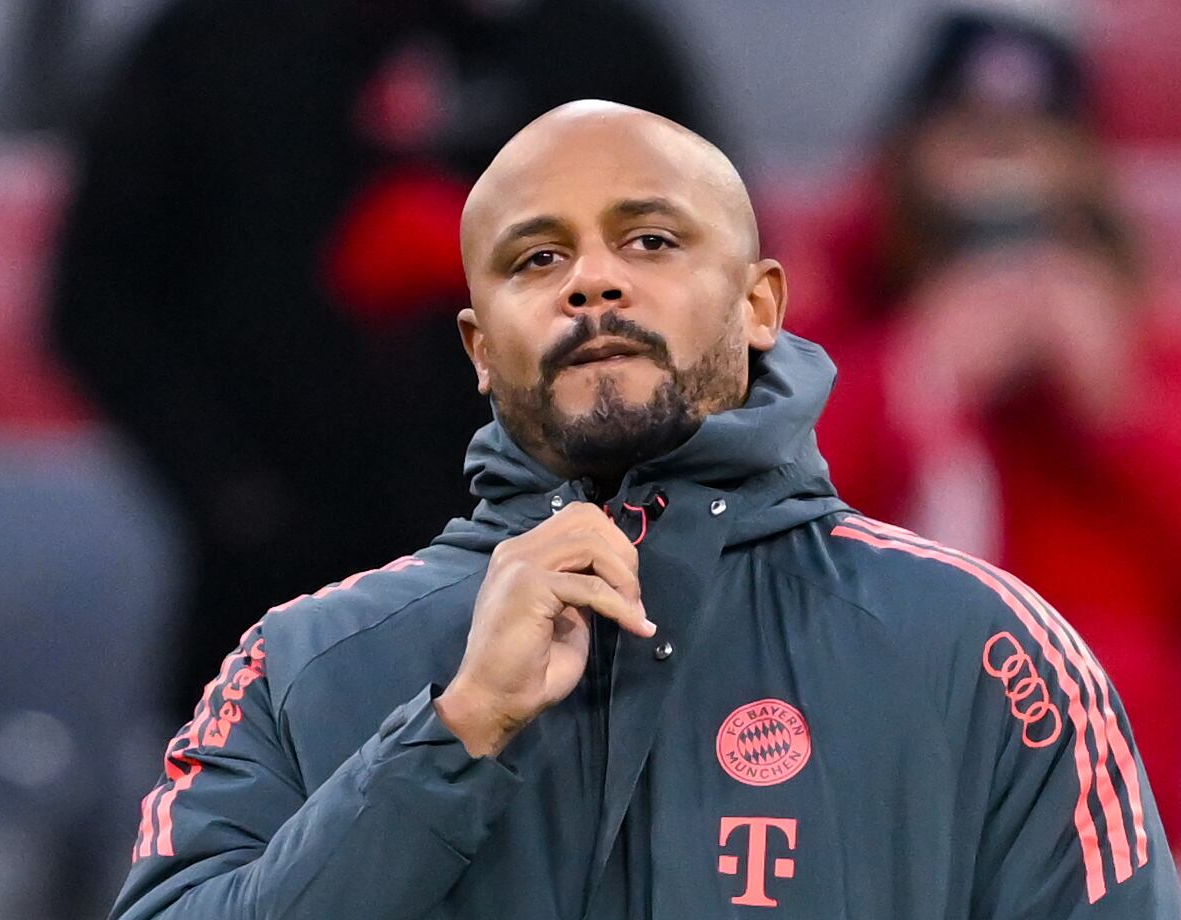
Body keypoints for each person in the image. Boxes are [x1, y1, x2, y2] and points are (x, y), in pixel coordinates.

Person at [99, 101, 1181, 920]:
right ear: (475, 343)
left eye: (649, 238)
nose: (593, 279)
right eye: (533, 258)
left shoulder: (982, 660)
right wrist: (447, 743)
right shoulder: (317, 662)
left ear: (759, 303)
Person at [49, 0, 712, 703]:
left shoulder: (595, 46)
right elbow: (96, 303)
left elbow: (713, 282)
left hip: (560, 572)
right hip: (268, 591)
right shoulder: (207, 43)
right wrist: (230, 495)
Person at [809, 10, 1181, 886]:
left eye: (1030, 144)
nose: (998, 179)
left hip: (1115, 840)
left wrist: (1120, 412)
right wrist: (908, 385)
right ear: (905, 157)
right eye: (967, 141)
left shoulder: (1163, 364)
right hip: (869, 829)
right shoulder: (828, 349)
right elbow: (746, 546)